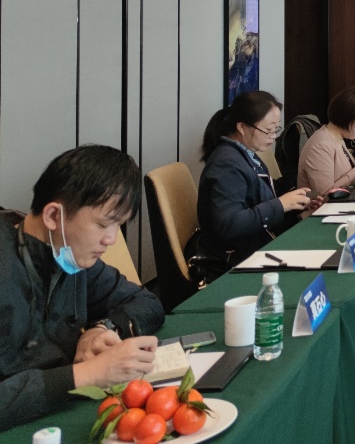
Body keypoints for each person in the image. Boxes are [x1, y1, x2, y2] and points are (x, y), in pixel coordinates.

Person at [0, 145, 165, 431]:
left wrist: (102, 330)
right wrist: (86, 374)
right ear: (54, 216)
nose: (111, 240)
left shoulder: (69, 256)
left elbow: (146, 302)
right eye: (103, 225)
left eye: (118, 225)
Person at [198, 91, 315, 273]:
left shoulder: (243, 153)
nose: (274, 136)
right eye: (268, 130)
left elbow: (257, 194)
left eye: (276, 129)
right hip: (238, 257)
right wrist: (281, 205)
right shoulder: (226, 164)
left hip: (257, 243)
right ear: (242, 127)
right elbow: (228, 224)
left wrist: (295, 203)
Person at [296, 86, 355, 213]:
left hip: (340, 207)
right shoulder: (320, 146)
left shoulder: (336, 137)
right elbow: (326, 196)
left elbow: (340, 174)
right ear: (348, 115)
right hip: (322, 214)